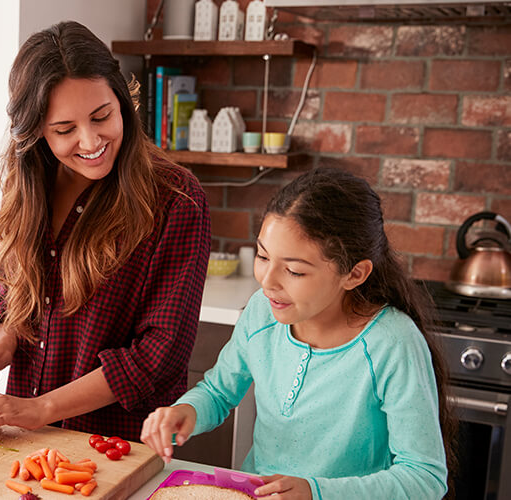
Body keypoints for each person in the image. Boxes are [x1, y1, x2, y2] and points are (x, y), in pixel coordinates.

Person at [0, 21, 212, 442]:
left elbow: (160, 353)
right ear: (36, 132)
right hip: (23, 438)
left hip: (114, 445)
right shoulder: (30, 185)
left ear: (122, 101)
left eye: (102, 116)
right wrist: (3, 341)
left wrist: (43, 407)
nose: (91, 141)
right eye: (65, 130)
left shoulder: (175, 199)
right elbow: (20, 292)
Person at [140, 168, 453, 500]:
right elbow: (219, 391)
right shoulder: (262, 311)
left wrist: (314, 492)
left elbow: (425, 478)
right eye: (262, 256)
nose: (268, 281)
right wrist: (185, 412)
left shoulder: (391, 343)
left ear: (354, 274)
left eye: (294, 270)